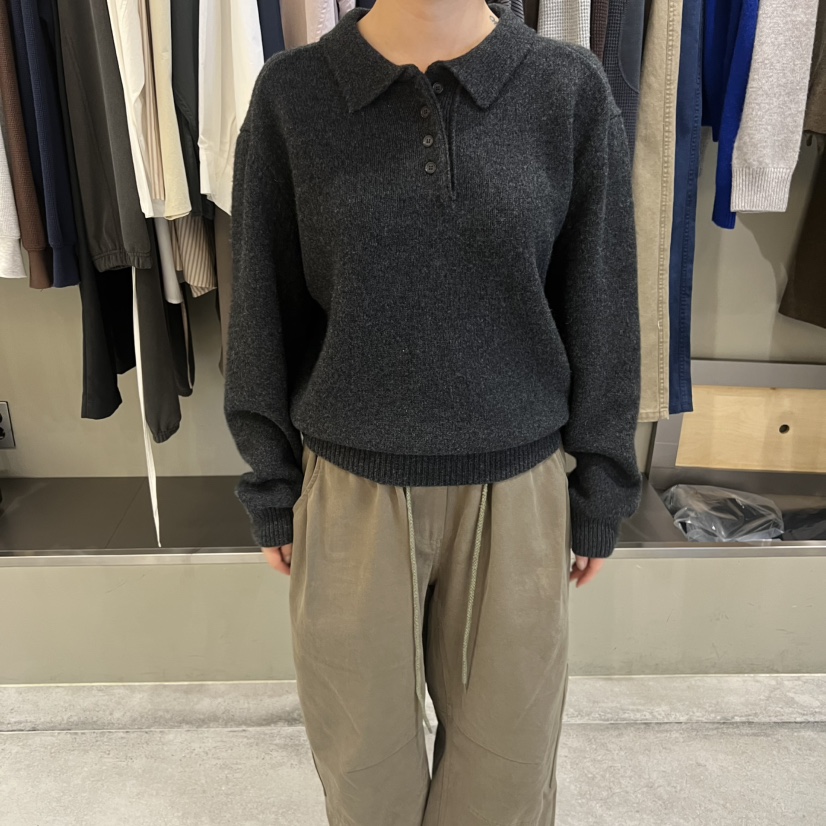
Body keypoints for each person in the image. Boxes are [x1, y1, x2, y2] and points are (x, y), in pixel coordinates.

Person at [224, 1, 642, 823]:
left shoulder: (566, 90)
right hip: (350, 496)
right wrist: (270, 482)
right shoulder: (294, 95)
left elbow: (601, 302)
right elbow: (261, 307)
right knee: (364, 783)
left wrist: (601, 486)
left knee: (506, 784)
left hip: (517, 496)